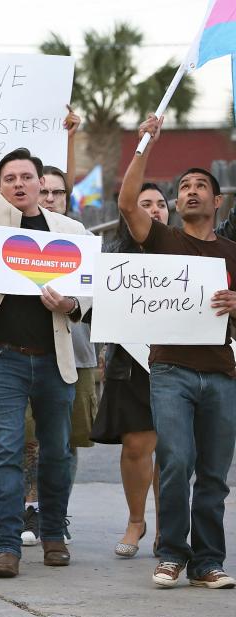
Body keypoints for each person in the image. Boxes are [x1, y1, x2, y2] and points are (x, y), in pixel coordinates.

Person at [0, 92, 91, 579]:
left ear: (42, 182)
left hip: (55, 357)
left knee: (56, 450)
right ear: (1, 187)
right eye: (9, 178)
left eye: (27, 177)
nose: (20, 184)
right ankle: (6, 545)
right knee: (6, 448)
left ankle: (53, 534)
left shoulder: (70, 229)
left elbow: (88, 293)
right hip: (2, 357)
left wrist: (70, 304)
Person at [118, 114, 236, 589]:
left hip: (222, 373)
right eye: (183, 186)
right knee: (176, 463)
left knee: (212, 474)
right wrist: (147, 142)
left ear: (217, 199)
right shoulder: (164, 240)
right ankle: (170, 555)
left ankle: (208, 562)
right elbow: (127, 203)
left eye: (199, 186)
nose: (190, 191)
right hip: (170, 369)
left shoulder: (231, 252)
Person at [21, 153, 96, 547]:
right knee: (29, 437)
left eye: (57, 192)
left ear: (67, 197)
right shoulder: (13, 235)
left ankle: (57, 511)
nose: (49, 198)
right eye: (43, 190)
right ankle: (31, 507)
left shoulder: (81, 237)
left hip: (77, 354)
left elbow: (96, 298)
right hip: (27, 354)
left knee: (66, 441)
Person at [91, 183, 168, 558]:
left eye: (160, 204)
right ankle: (136, 521)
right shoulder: (112, 254)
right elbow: (97, 309)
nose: (155, 210)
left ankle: (168, 526)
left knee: (173, 450)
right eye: (146, 203)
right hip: (130, 363)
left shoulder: (187, 253)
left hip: (177, 361)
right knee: (137, 445)